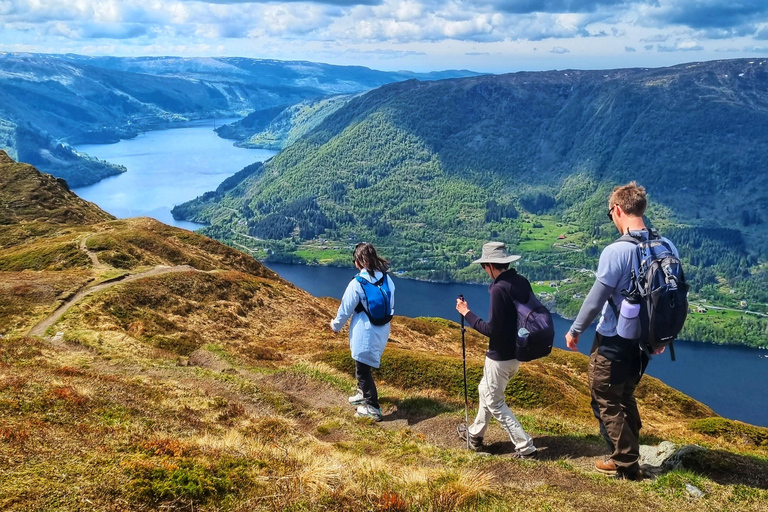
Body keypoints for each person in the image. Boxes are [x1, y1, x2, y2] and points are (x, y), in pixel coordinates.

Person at [565, 181, 678, 480]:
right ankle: (629, 452)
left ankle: (626, 462)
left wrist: (575, 330)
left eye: (610, 213)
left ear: (617, 210)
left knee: (604, 396)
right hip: (643, 345)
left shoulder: (616, 252)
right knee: (625, 395)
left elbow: (594, 301)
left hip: (614, 340)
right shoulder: (666, 246)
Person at [455, 241, 538, 459]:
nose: (484, 271)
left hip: (500, 357)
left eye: (484, 266)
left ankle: (525, 446)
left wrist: (467, 313)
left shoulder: (499, 289)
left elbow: (492, 329)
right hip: (517, 353)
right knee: (486, 390)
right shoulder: (520, 282)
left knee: (495, 401)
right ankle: (475, 434)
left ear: (490, 265)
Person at [331, 243, 395, 422]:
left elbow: (345, 309)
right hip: (381, 330)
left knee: (362, 371)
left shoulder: (357, 283)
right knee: (362, 365)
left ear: (359, 261)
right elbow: (390, 306)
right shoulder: (386, 280)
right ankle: (362, 394)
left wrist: (335, 326)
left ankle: (372, 407)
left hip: (364, 332)